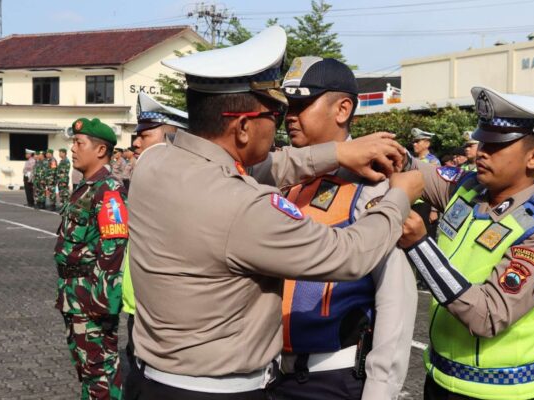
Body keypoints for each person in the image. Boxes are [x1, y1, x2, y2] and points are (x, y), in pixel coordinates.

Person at [125, 26, 422, 400]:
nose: (286, 123)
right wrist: (398, 197)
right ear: (244, 127)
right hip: (220, 389)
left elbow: (394, 310)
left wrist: (338, 155)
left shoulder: (154, 162)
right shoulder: (243, 203)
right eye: (278, 113)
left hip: (150, 379)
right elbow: (347, 254)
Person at [399, 86, 534, 400]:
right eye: (482, 140)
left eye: (496, 145)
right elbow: (413, 169)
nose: (481, 151)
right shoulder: (467, 189)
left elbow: (489, 316)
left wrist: (419, 246)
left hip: (505, 392)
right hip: (440, 377)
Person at [272, 56, 416, 400]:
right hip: (271, 375)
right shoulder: (284, 179)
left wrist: (380, 392)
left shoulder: (374, 187)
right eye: (288, 105)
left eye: (302, 104)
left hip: (331, 380)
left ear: (343, 109)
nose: (290, 115)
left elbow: (395, 303)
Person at [54, 117, 128, 399]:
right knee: (87, 372)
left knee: (100, 373)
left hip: (92, 300)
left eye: (78, 143)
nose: (73, 148)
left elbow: (114, 248)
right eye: (73, 142)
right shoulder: (87, 187)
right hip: (75, 296)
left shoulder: (108, 190)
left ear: (100, 150)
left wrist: (103, 301)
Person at [120, 92, 189, 377]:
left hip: (164, 315)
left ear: (172, 140)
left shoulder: (183, 189)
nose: (135, 143)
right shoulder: (146, 182)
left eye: (144, 136)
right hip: (138, 308)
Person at [411, 128, 441, 239]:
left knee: (427, 237)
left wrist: (434, 210)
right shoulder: (412, 161)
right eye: (414, 141)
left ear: (427, 144)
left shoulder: (433, 162)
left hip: (426, 204)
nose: (414, 144)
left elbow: (436, 186)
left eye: (417, 141)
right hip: (412, 204)